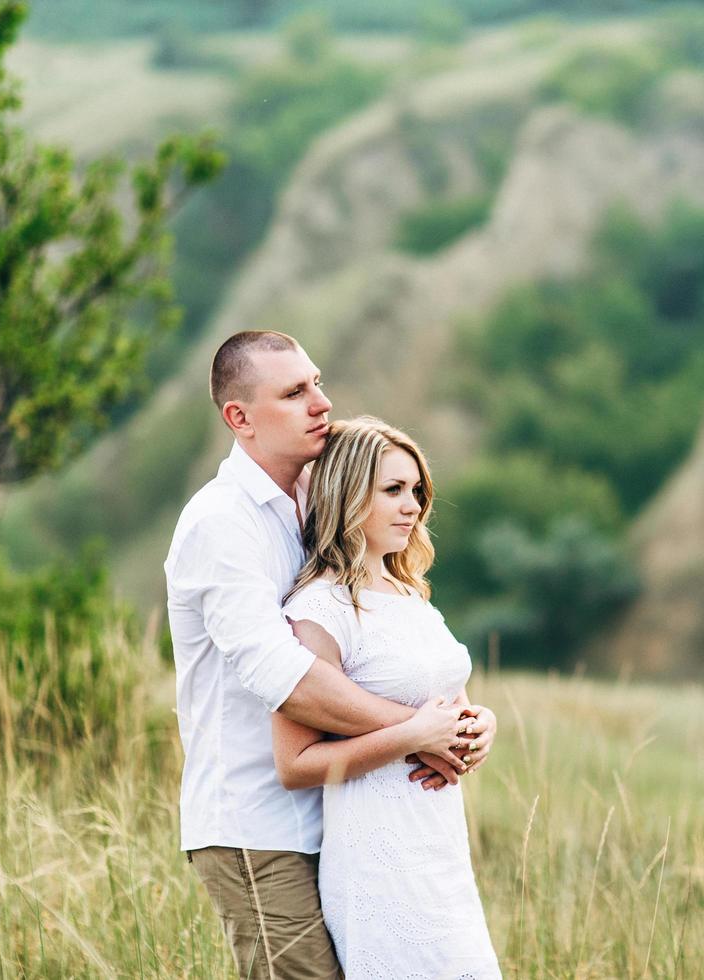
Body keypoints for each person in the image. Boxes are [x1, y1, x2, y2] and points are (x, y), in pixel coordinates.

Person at [164, 331, 498, 979]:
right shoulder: (221, 524)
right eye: (294, 393)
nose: (321, 402)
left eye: (316, 382)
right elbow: (287, 681)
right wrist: (415, 733)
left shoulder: (318, 502)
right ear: (240, 418)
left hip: (347, 818)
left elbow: (378, 645)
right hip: (256, 823)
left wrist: (461, 725)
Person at [273, 416, 501, 979]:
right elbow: (296, 764)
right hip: (377, 854)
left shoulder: (411, 594)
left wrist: (482, 724)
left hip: (440, 843)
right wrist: (410, 737)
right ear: (349, 495)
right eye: (394, 490)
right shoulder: (319, 609)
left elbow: (449, 704)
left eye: (418, 491)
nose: (414, 506)